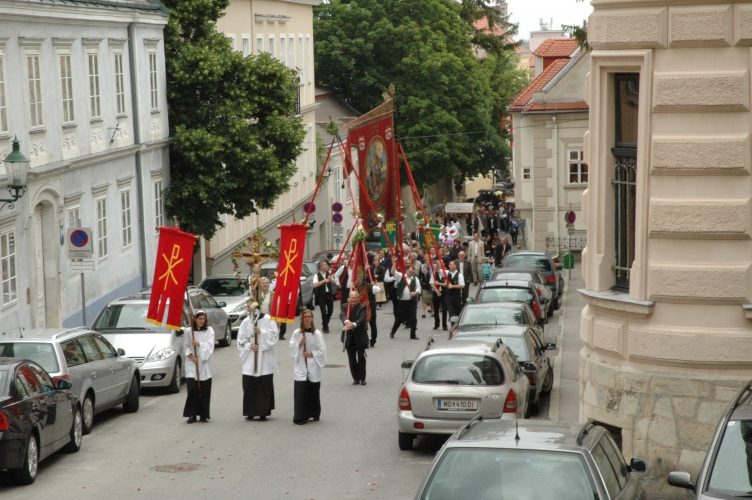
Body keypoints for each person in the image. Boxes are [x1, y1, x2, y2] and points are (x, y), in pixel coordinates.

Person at [238, 301, 279, 421]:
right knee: (249, 385)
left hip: (265, 359)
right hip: (250, 359)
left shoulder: (268, 319)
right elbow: (240, 340)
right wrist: (249, 346)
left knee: (263, 385)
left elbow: (274, 336)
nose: (247, 308)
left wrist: (261, 332)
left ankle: (263, 411)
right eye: (247, 306)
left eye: (249, 306)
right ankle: (250, 411)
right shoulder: (246, 322)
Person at [289, 309, 327, 425]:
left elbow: (322, 351)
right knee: (301, 390)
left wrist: (311, 354)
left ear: (312, 319)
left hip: (313, 365)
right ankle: (301, 416)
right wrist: (300, 344)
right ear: (302, 319)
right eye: (305, 317)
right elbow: (291, 347)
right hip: (301, 365)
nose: (307, 319)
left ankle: (314, 413)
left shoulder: (317, 334)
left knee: (313, 390)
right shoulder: (297, 333)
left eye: (309, 317)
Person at [183, 310, 215, 423]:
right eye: (199, 318)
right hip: (192, 365)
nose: (202, 321)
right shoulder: (188, 332)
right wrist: (191, 356)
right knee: (192, 389)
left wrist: (199, 344)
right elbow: (186, 346)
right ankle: (192, 415)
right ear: (195, 319)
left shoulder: (209, 330)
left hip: (205, 365)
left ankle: (203, 414)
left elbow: (210, 346)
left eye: (203, 319)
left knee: (204, 390)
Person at [385, 263, 421, 340]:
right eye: (409, 271)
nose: (411, 273)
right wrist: (394, 263)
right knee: (399, 319)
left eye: (412, 272)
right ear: (406, 270)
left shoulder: (415, 279)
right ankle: (392, 332)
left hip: (411, 302)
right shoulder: (400, 276)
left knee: (414, 319)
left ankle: (413, 335)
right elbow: (393, 271)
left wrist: (415, 293)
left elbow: (418, 289)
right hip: (402, 302)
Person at [341, 290, 368, 385]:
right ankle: (356, 378)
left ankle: (362, 378)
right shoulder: (345, 306)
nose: (353, 300)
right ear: (349, 298)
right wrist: (346, 322)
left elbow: (362, 319)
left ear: (358, 298)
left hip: (360, 337)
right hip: (349, 338)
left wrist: (353, 324)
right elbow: (342, 315)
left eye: (355, 298)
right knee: (351, 359)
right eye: (352, 298)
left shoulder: (363, 307)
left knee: (361, 358)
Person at [312, 260, 334, 333]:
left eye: (326, 265)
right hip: (321, 295)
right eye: (324, 265)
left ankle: (325, 322)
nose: (326, 266)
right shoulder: (316, 275)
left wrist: (331, 280)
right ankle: (325, 327)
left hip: (329, 294)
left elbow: (334, 282)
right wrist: (323, 281)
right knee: (323, 311)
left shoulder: (329, 273)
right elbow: (314, 285)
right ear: (321, 267)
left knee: (330, 310)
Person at [430, 260, 448, 330]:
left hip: (444, 293)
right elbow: (432, 283)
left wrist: (439, 284)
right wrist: (437, 292)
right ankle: (436, 324)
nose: (439, 265)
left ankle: (444, 325)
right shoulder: (434, 273)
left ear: (443, 264)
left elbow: (446, 284)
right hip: (436, 293)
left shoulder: (446, 272)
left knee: (444, 309)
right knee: (436, 309)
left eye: (440, 264)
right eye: (437, 264)